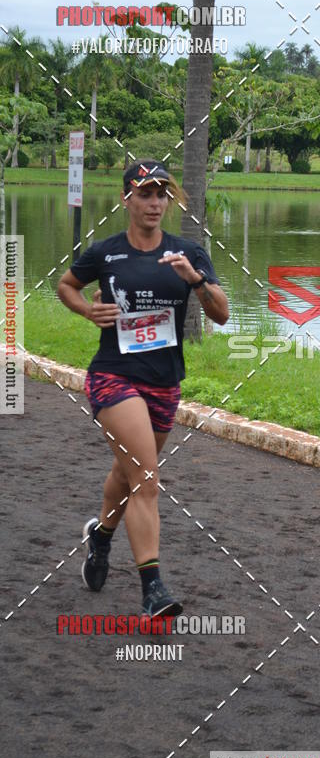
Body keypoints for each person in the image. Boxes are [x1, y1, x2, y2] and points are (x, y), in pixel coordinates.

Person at [57, 160, 229, 618]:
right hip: (113, 375)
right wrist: (86, 312)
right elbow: (66, 285)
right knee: (147, 478)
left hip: (164, 381)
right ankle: (152, 588)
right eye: (145, 194)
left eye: (161, 195)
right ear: (126, 199)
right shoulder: (106, 253)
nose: (154, 203)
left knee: (128, 472)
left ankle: (101, 538)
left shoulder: (187, 252)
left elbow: (222, 314)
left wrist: (194, 280)